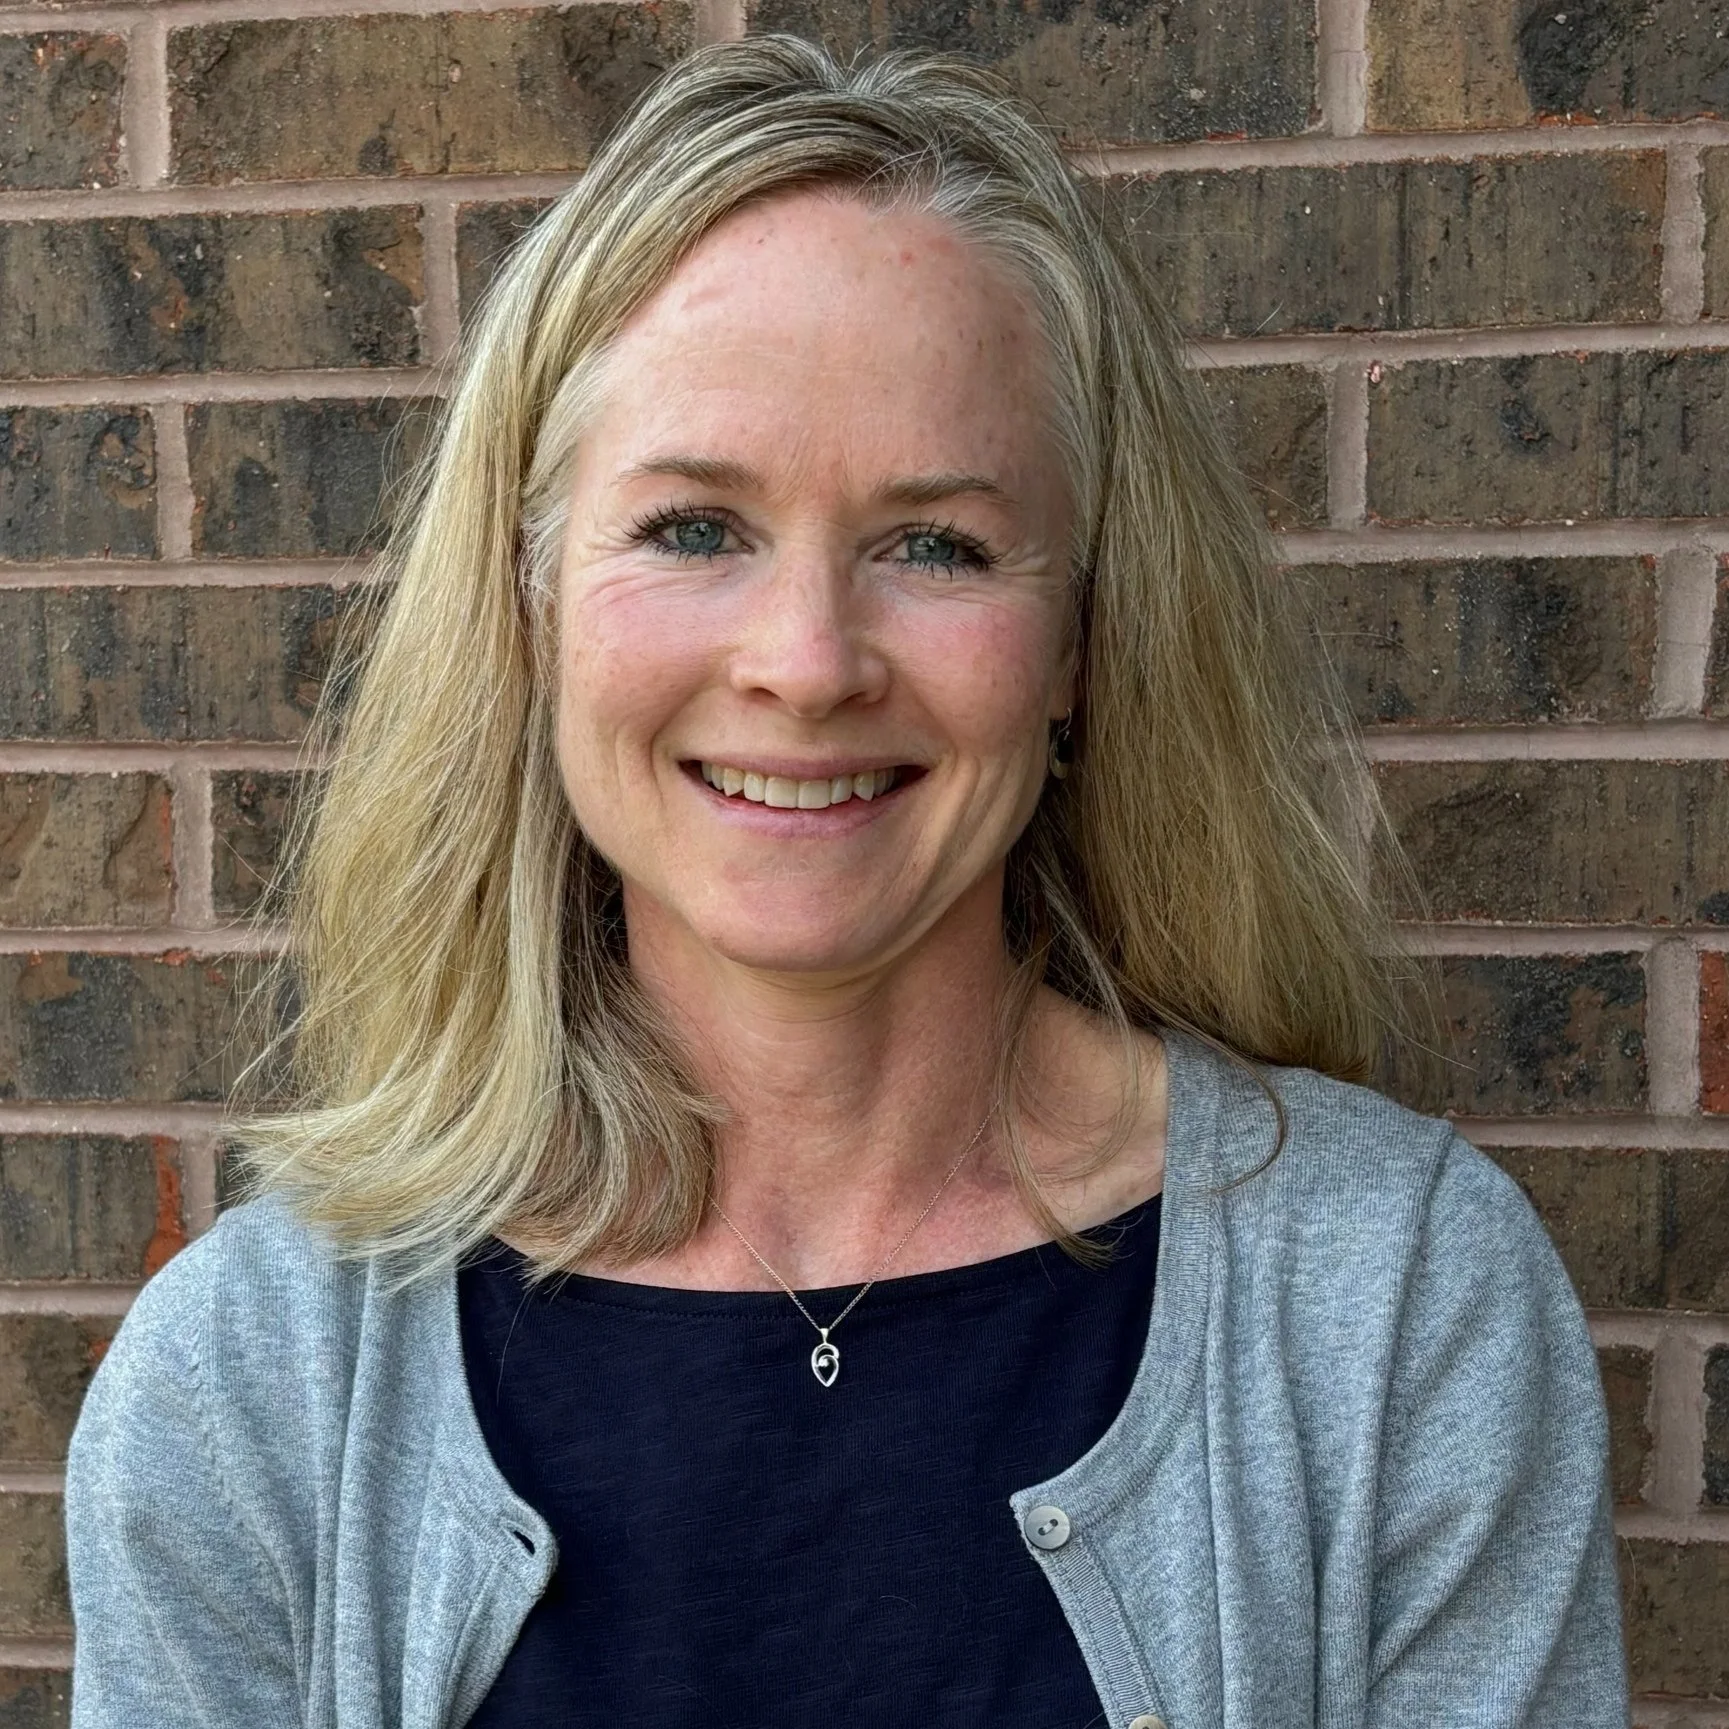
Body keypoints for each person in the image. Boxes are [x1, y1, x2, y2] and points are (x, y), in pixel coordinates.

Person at [64, 35, 1627, 1729]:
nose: (807, 664)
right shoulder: (258, 1382)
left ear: (1083, 640)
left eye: (936, 545)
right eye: (691, 528)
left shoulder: (1395, 1310)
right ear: (526, 606)